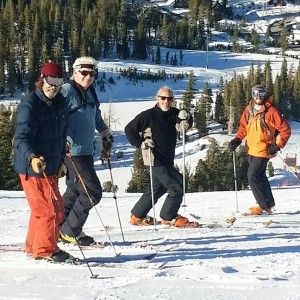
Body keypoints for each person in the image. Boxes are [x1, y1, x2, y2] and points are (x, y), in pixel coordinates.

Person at [13, 62, 72, 262]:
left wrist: (62, 159)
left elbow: (61, 134)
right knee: (50, 210)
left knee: (48, 208)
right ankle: (47, 250)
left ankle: (34, 246)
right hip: (33, 167)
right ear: (42, 79)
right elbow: (21, 138)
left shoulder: (60, 104)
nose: (53, 86)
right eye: (50, 80)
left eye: (58, 81)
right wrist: (32, 157)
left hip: (52, 165)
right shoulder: (30, 104)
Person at [125, 86, 199, 228]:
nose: (166, 101)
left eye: (170, 98)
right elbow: (129, 129)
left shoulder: (174, 113)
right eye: (163, 98)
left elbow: (185, 124)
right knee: (178, 185)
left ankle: (137, 215)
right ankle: (169, 216)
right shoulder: (149, 115)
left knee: (157, 189)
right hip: (154, 158)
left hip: (167, 159)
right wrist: (141, 143)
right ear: (157, 99)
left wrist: (187, 117)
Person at [59, 56, 113, 246]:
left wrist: (105, 133)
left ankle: (59, 226)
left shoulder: (89, 91)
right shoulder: (66, 91)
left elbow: (95, 115)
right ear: (74, 72)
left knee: (74, 190)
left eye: (92, 73)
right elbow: (55, 117)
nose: (88, 77)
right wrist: (62, 142)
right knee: (92, 192)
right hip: (72, 152)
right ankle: (70, 230)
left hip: (86, 151)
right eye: (84, 73)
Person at [228, 84, 291, 215]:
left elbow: (285, 130)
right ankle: (268, 204)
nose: (259, 97)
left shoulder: (271, 112)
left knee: (252, 176)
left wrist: (277, 145)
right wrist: (238, 139)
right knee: (260, 176)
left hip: (264, 149)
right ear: (252, 95)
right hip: (251, 148)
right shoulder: (249, 109)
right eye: (257, 94)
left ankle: (262, 206)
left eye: (262, 94)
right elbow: (243, 127)